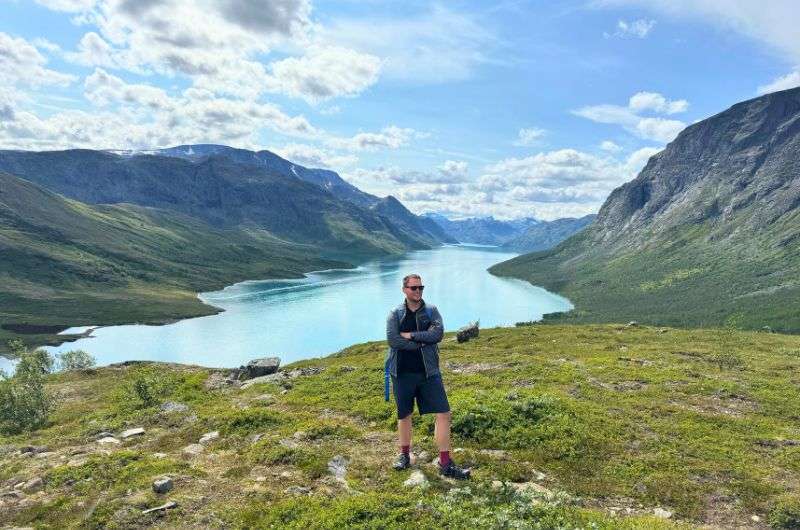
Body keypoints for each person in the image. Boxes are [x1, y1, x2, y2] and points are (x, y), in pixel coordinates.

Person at [385, 273, 471, 480]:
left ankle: (445, 462)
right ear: (404, 290)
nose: (418, 291)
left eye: (420, 287)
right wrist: (422, 343)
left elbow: (437, 335)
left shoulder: (432, 311)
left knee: (444, 413)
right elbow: (393, 341)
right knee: (404, 415)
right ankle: (404, 455)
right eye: (413, 288)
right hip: (402, 372)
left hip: (429, 373)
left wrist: (413, 335)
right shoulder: (394, 314)